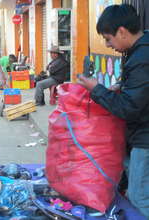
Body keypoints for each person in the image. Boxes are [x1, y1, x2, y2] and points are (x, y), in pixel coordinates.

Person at [77, 4, 149, 218]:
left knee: (139, 197)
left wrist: (96, 89)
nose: (109, 45)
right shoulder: (139, 50)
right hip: (139, 134)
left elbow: (128, 107)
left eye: (109, 38)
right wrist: (120, 86)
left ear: (122, 31)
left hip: (145, 138)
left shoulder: (142, 58)